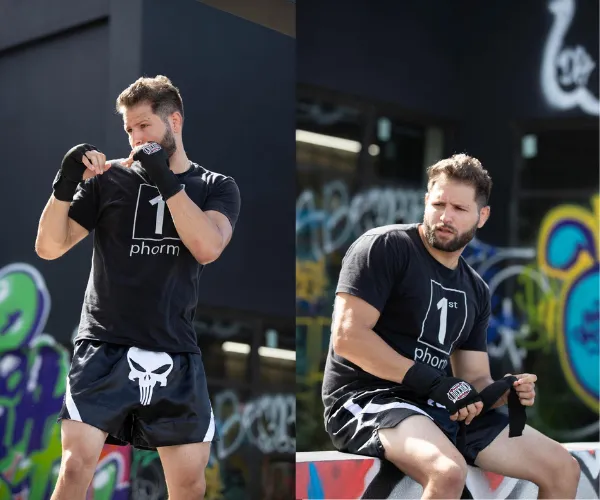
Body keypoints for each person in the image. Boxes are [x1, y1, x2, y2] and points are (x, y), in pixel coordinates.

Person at [322, 154, 581, 499]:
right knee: (447, 472)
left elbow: (474, 379)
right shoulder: (385, 247)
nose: (445, 217)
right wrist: (433, 383)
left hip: (437, 406)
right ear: (425, 201)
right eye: (438, 204)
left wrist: (503, 390)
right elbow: (348, 338)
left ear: (481, 216)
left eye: (459, 209)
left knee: (563, 467)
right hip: (368, 398)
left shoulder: (475, 289)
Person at [35, 75, 241, 500]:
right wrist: (63, 185)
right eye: (129, 129)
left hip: (174, 350)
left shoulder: (216, 187)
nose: (134, 137)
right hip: (104, 345)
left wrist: (165, 180)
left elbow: (207, 246)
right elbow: (49, 247)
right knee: (75, 468)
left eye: (144, 126)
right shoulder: (108, 179)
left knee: (189, 485)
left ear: (175, 121)